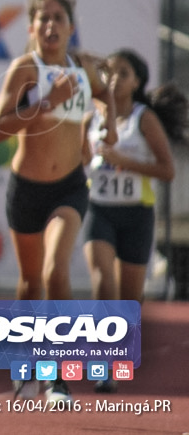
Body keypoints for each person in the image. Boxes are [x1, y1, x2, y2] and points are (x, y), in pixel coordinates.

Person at [0, 0, 108, 404]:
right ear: (32, 27)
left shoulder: (85, 68)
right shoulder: (25, 69)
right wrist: (44, 102)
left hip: (70, 187)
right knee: (28, 284)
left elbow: (107, 97)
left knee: (56, 270)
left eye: (59, 18)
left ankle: (58, 378)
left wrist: (99, 127)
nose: (51, 25)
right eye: (44, 18)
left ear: (71, 28)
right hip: (26, 189)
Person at [82, 48, 186, 392]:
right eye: (110, 72)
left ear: (137, 82)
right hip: (99, 209)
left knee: (129, 297)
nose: (114, 79)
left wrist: (123, 160)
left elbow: (167, 170)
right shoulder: (91, 117)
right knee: (101, 281)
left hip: (136, 214)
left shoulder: (144, 118)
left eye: (123, 73)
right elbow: (79, 160)